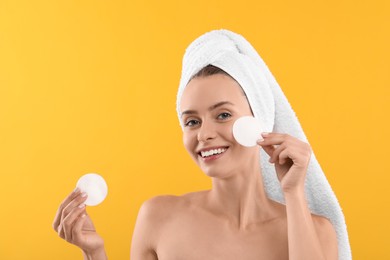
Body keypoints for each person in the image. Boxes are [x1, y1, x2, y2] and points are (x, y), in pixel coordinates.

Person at [53, 30, 342, 260]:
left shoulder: (316, 232)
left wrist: (293, 194)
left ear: (260, 120)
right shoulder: (158, 218)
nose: (204, 134)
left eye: (223, 115)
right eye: (192, 121)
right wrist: (93, 253)